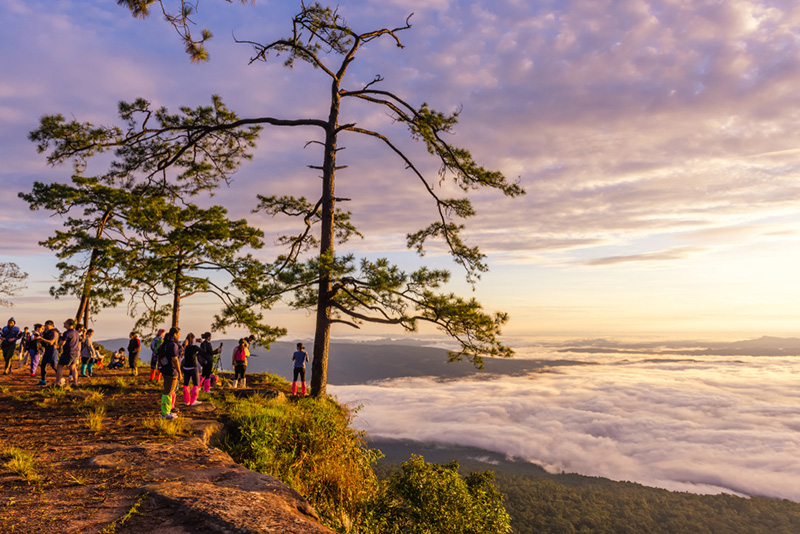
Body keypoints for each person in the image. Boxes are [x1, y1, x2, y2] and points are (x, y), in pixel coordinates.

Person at [158, 327, 183, 419]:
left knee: (169, 391)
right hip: (171, 371)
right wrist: (180, 372)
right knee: (168, 392)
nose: (179, 335)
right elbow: (175, 359)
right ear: (175, 334)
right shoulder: (173, 345)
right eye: (179, 333)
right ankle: (165, 413)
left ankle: (167, 411)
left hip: (166, 369)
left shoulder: (166, 343)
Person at [55, 318, 81, 387]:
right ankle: (75, 383)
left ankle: (57, 382)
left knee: (60, 366)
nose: (64, 323)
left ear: (68, 324)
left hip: (68, 352)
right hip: (75, 352)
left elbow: (62, 343)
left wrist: (60, 337)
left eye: (65, 323)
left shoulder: (67, 333)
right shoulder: (76, 332)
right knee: (73, 367)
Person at [181, 333, 203, 406]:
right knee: (196, 384)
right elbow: (202, 351)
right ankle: (193, 400)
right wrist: (202, 343)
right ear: (193, 339)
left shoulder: (185, 347)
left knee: (186, 384)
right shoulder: (194, 347)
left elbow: (182, 349)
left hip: (185, 368)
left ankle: (186, 400)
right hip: (193, 368)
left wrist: (185, 343)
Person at [38, 320, 59, 385]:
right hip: (46, 350)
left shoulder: (54, 332)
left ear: (52, 325)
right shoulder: (45, 332)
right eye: (45, 326)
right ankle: (43, 380)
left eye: (47, 326)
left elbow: (51, 342)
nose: (46, 327)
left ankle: (60, 378)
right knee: (43, 365)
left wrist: (41, 339)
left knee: (54, 365)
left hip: (53, 350)